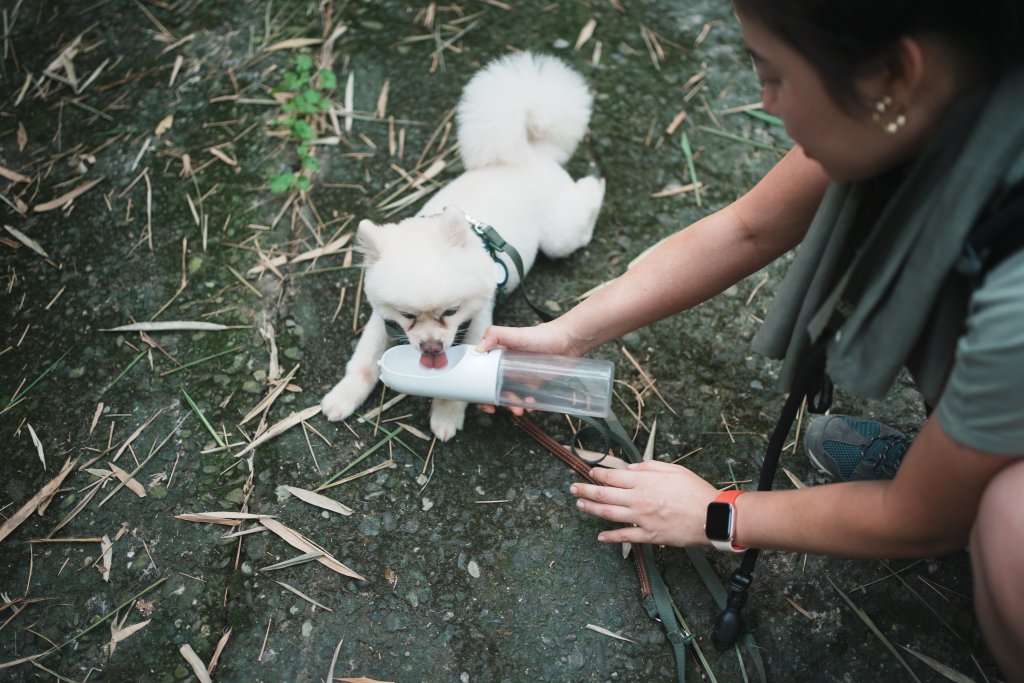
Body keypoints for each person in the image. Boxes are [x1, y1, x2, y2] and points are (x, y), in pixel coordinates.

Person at [476, 1, 1024, 678]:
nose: (766, 105)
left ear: (893, 71)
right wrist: (566, 334)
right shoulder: (941, 89)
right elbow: (747, 228)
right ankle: (964, 443)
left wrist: (716, 513)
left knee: (1007, 529)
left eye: (774, 77)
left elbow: (917, 517)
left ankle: (975, 476)